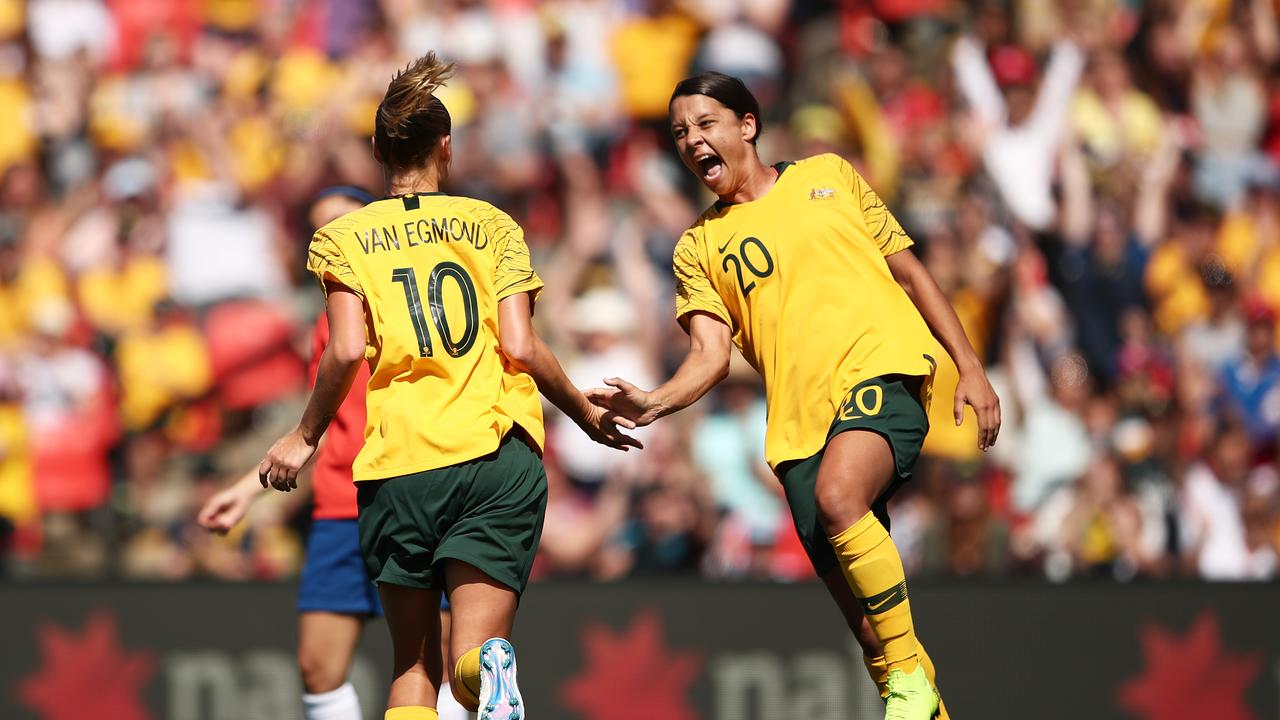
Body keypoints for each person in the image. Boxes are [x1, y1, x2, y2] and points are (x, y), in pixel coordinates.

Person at [588, 72, 1001, 720]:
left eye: (704, 123)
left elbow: (909, 270)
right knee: (875, 636)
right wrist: (655, 402)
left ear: (746, 125)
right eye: (678, 133)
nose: (691, 140)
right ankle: (920, 693)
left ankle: (912, 686)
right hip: (797, 431)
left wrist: (969, 366)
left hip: (881, 375)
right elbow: (710, 355)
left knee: (842, 498)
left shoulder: (830, 175)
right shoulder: (699, 246)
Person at [258, 53, 639, 720]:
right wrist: (581, 413)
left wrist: (303, 436)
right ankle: (485, 668)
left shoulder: (343, 238)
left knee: (411, 663)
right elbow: (520, 346)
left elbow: (346, 349)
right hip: (495, 457)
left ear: (376, 149)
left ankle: (471, 673)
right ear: (447, 147)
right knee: (475, 645)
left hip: (401, 461)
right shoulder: (494, 227)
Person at [198, 186, 472, 720]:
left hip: (414, 496)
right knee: (317, 669)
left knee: (441, 659)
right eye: (322, 229)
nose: (335, 237)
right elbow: (318, 426)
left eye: (344, 223)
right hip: (342, 507)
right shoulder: (327, 321)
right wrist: (246, 490)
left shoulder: (415, 302)